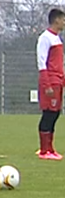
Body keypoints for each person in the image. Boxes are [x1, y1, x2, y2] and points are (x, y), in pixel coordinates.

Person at [36, 9, 65, 159]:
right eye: (63, 19)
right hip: (51, 80)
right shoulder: (45, 38)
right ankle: (44, 150)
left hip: (58, 80)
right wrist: (46, 83)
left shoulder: (57, 38)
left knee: (55, 113)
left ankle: (50, 148)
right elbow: (42, 61)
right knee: (49, 113)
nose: (64, 22)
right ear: (56, 20)